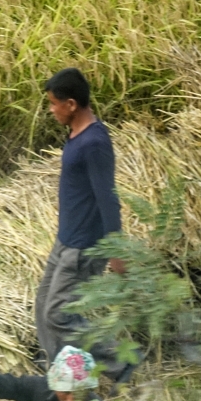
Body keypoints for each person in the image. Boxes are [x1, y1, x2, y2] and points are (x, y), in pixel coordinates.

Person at [36, 68, 139, 382]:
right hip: (66, 240)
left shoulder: (93, 143)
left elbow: (108, 198)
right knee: (43, 308)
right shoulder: (77, 134)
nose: (51, 110)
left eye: (54, 104)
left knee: (58, 315)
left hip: (83, 247)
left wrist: (116, 250)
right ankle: (61, 374)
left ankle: (122, 364)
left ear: (70, 104)